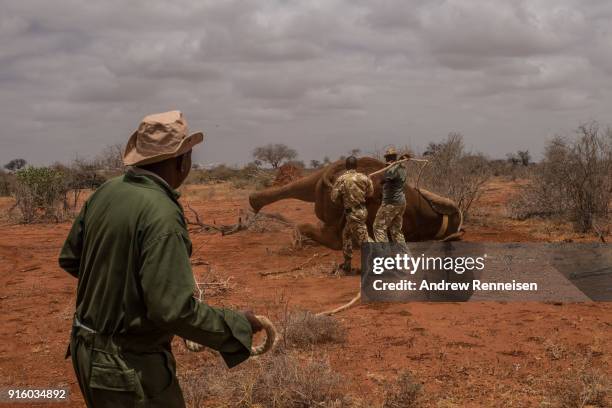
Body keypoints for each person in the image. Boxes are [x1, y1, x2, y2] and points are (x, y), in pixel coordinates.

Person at [59, 110, 262, 408]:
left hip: (85, 352)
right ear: (181, 161)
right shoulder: (162, 214)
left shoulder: (106, 192)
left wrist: (123, 293)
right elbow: (172, 310)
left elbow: (71, 258)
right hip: (128, 366)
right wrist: (238, 324)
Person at [330, 156, 374, 273]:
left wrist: (343, 196)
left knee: (363, 240)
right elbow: (370, 194)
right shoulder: (364, 178)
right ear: (356, 166)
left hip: (353, 213)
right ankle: (347, 264)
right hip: (362, 211)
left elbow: (333, 198)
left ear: (346, 166)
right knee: (346, 235)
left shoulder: (341, 179)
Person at [373, 147, 409, 244]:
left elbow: (383, 180)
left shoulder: (392, 169)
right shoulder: (402, 168)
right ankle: (404, 257)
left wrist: (387, 168)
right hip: (401, 202)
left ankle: (385, 256)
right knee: (396, 230)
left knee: (379, 227)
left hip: (391, 203)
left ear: (388, 158)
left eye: (387, 158)